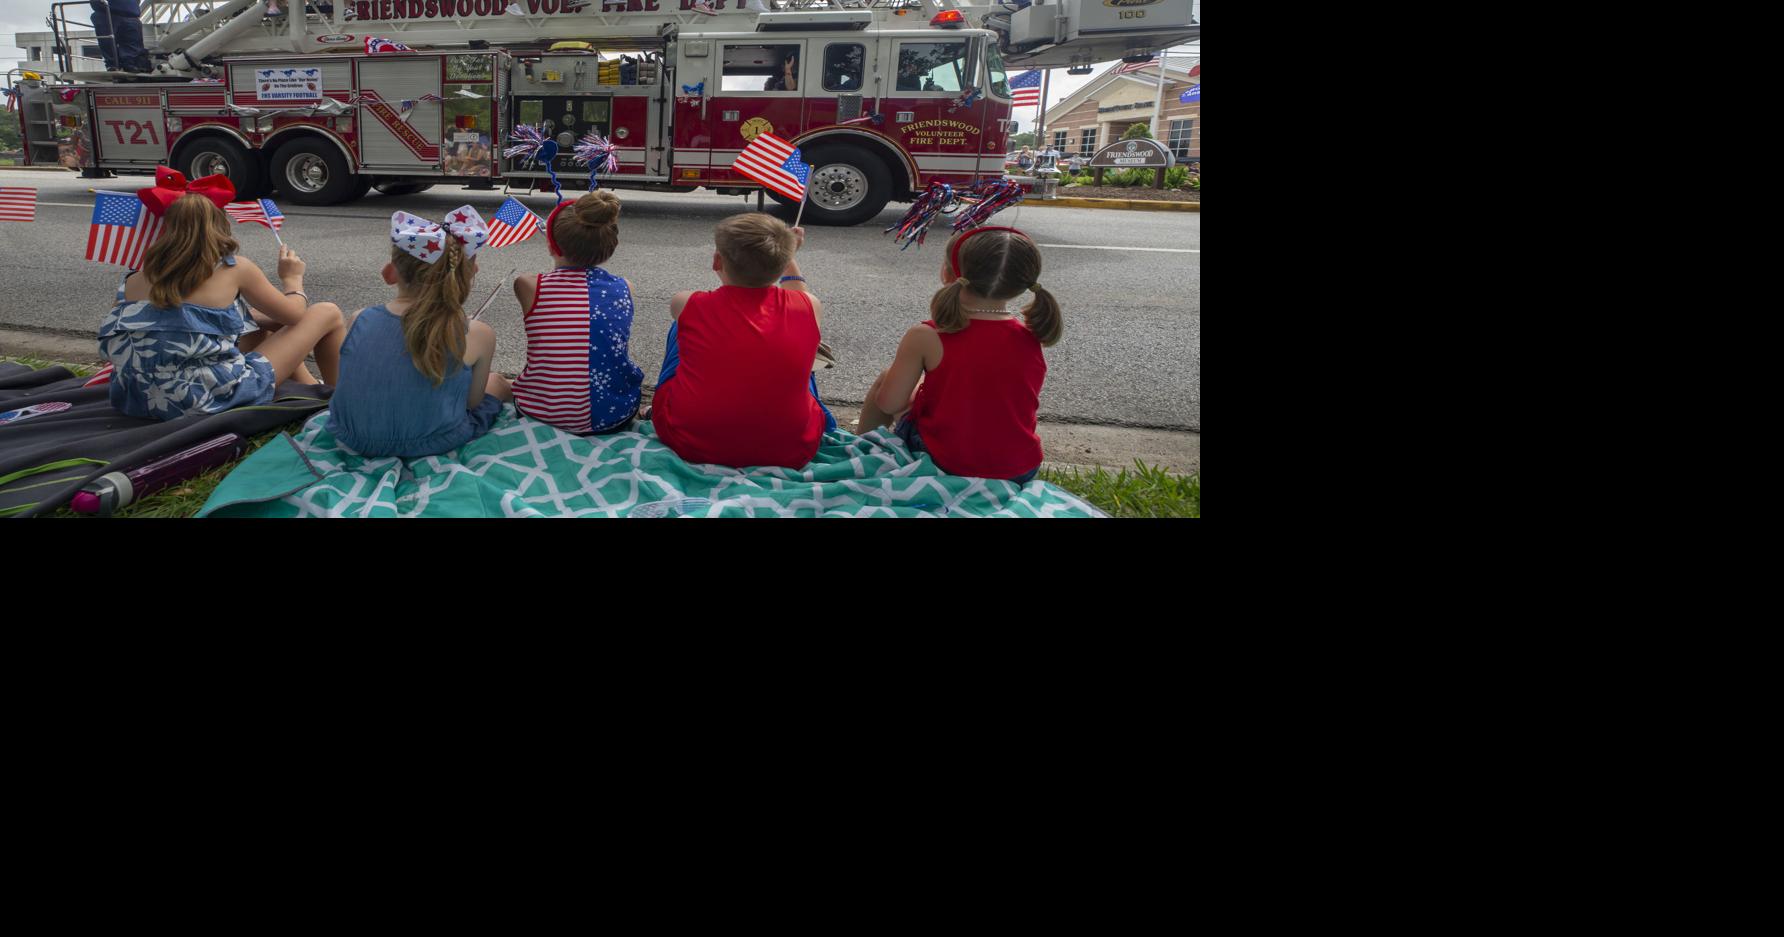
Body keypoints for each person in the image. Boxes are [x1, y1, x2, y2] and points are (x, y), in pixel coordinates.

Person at [98, 168, 346, 421]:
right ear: (220, 224)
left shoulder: (134, 278)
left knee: (256, 325)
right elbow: (294, 315)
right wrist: (292, 279)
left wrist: (257, 319)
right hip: (209, 399)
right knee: (327, 312)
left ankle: (312, 389)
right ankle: (344, 405)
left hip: (137, 400)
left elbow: (169, 321)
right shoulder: (234, 268)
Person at [855, 227, 1061, 485]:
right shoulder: (1032, 334)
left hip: (946, 462)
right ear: (1024, 284)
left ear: (948, 273)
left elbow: (888, 404)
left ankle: (860, 454)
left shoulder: (926, 335)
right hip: (1019, 468)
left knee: (887, 379)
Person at [648, 214, 832, 469]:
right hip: (793, 448)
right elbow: (799, 295)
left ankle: (663, 408)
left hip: (689, 441)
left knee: (681, 328)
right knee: (805, 351)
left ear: (717, 261)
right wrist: (789, 257)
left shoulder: (688, 303)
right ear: (783, 264)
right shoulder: (809, 306)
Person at [326, 207, 512, 458]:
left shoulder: (359, 318)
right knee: (496, 382)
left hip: (353, 438)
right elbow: (471, 402)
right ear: (469, 273)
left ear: (389, 272)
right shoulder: (478, 334)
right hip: (432, 443)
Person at [510, 190, 644, 435]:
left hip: (541, 414)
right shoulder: (626, 287)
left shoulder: (528, 285)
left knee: (499, 384)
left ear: (552, 246)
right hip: (613, 417)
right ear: (610, 247)